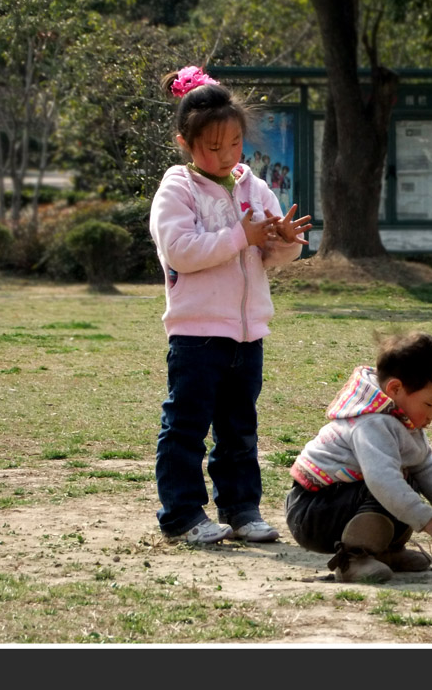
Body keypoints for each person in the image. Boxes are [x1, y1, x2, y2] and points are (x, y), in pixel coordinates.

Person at [149, 65, 313, 545]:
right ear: (185, 142)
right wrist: (240, 234)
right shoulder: (177, 188)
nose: (225, 156)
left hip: (248, 333)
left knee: (240, 431)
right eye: (211, 147)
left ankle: (242, 510)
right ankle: (182, 516)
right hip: (197, 334)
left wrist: (285, 241)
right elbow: (180, 251)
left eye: (235, 144)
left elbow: (270, 257)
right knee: (185, 428)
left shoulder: (252, 184)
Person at [285, 331, 432, 582]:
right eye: (429, 404)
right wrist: (424, 516)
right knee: (387, 487)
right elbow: (381, 480)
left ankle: (385, 551)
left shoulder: (402, 419)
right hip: (314, 512)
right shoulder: (373, 422)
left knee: (407, 482)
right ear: (395, 388)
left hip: (338, 503)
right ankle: (352, 559)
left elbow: (424, 464)